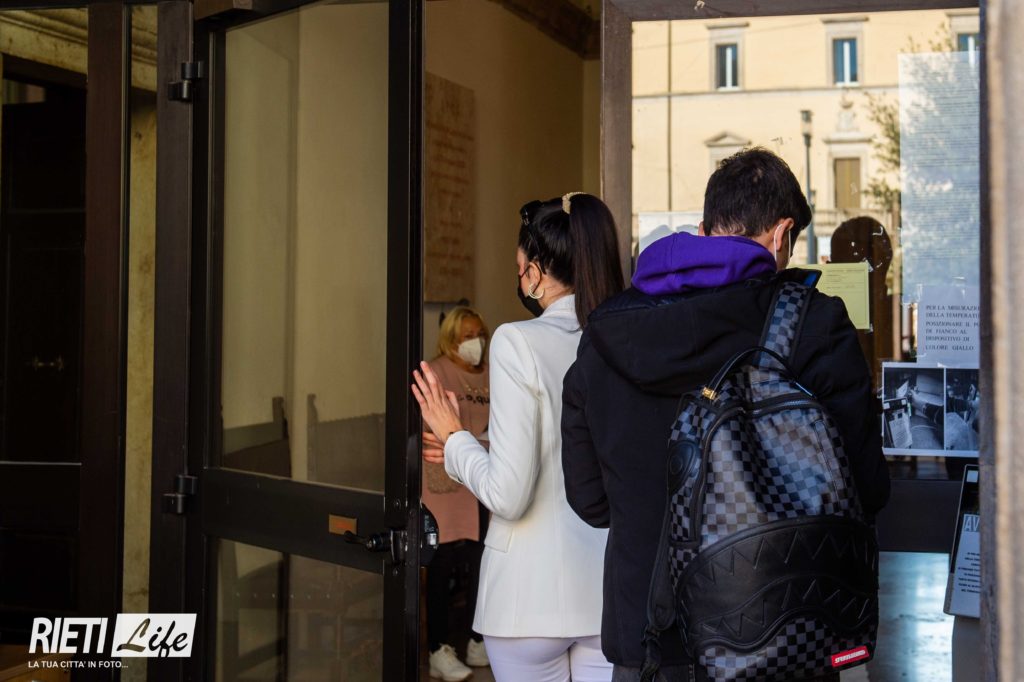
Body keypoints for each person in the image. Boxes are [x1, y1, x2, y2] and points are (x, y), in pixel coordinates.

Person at [560, 148, 891, 681]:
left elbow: (590, 501)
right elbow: (867, 487)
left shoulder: (605, 332)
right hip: (782, 635)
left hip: (648, 641)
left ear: (704, 229)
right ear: (782, 235)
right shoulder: (814, 325)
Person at [412, 192, 624, 681]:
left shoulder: (517, 341)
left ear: (537, 272)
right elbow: (569, 447)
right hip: (606, 589)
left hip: (528, 597)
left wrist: (455, 438)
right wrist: (471, 446)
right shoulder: (619, 339)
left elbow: (509, 494)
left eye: (519, 266)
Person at [423, 306, 491, 681]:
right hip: (446, 483)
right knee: (442, 562)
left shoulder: (492, 373)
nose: (475, 342)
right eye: (467, 336)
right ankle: (439, 648)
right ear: (451, 339)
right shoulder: (437, 372)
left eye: (480, 334)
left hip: (484, 480)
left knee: (483, 560)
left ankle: (476, 639)